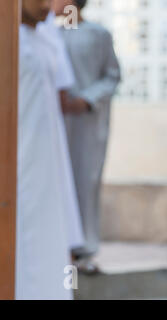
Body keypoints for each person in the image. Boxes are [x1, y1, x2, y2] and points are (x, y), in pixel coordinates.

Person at [17, 0, 79, 299]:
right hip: (16, 159)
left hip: (48, 159)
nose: (50, 5)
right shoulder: (10, 36)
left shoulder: (47, 36)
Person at [53, 0, 121, 272]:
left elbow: (112, 76)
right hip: (58, 122)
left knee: (86, 182)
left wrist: (86, 100)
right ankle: (62, 248)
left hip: (89, 123)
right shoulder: (53, 35)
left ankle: (85, 251)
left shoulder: (99, 34)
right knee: (59, 181)